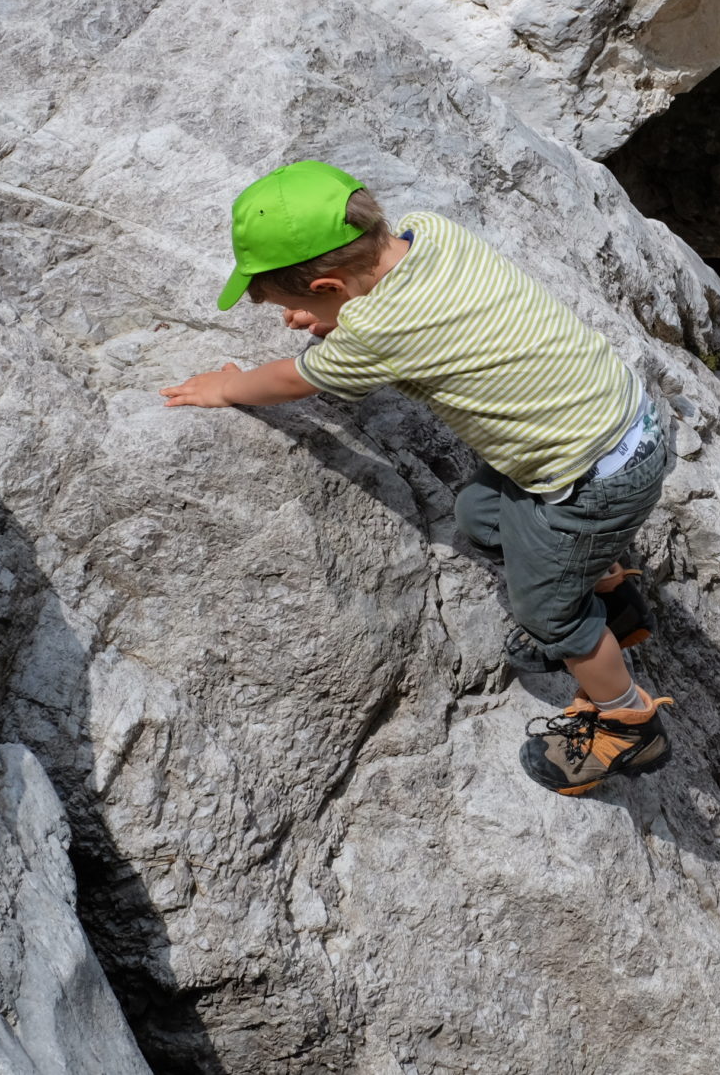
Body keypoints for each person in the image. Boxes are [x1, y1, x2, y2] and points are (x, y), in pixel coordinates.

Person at [161, 160, 675, 796]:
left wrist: (227, 387)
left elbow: (298, 378)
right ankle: (609, 597)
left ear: (330, 285)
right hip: (621, 424)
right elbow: (409, 313)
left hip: (589, 478)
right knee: (481, 519)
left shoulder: (378, 333)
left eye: (295, 309)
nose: (295, 323)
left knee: (545, 608)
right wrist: (347, 312)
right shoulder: (433, 235)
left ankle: (627, 722)